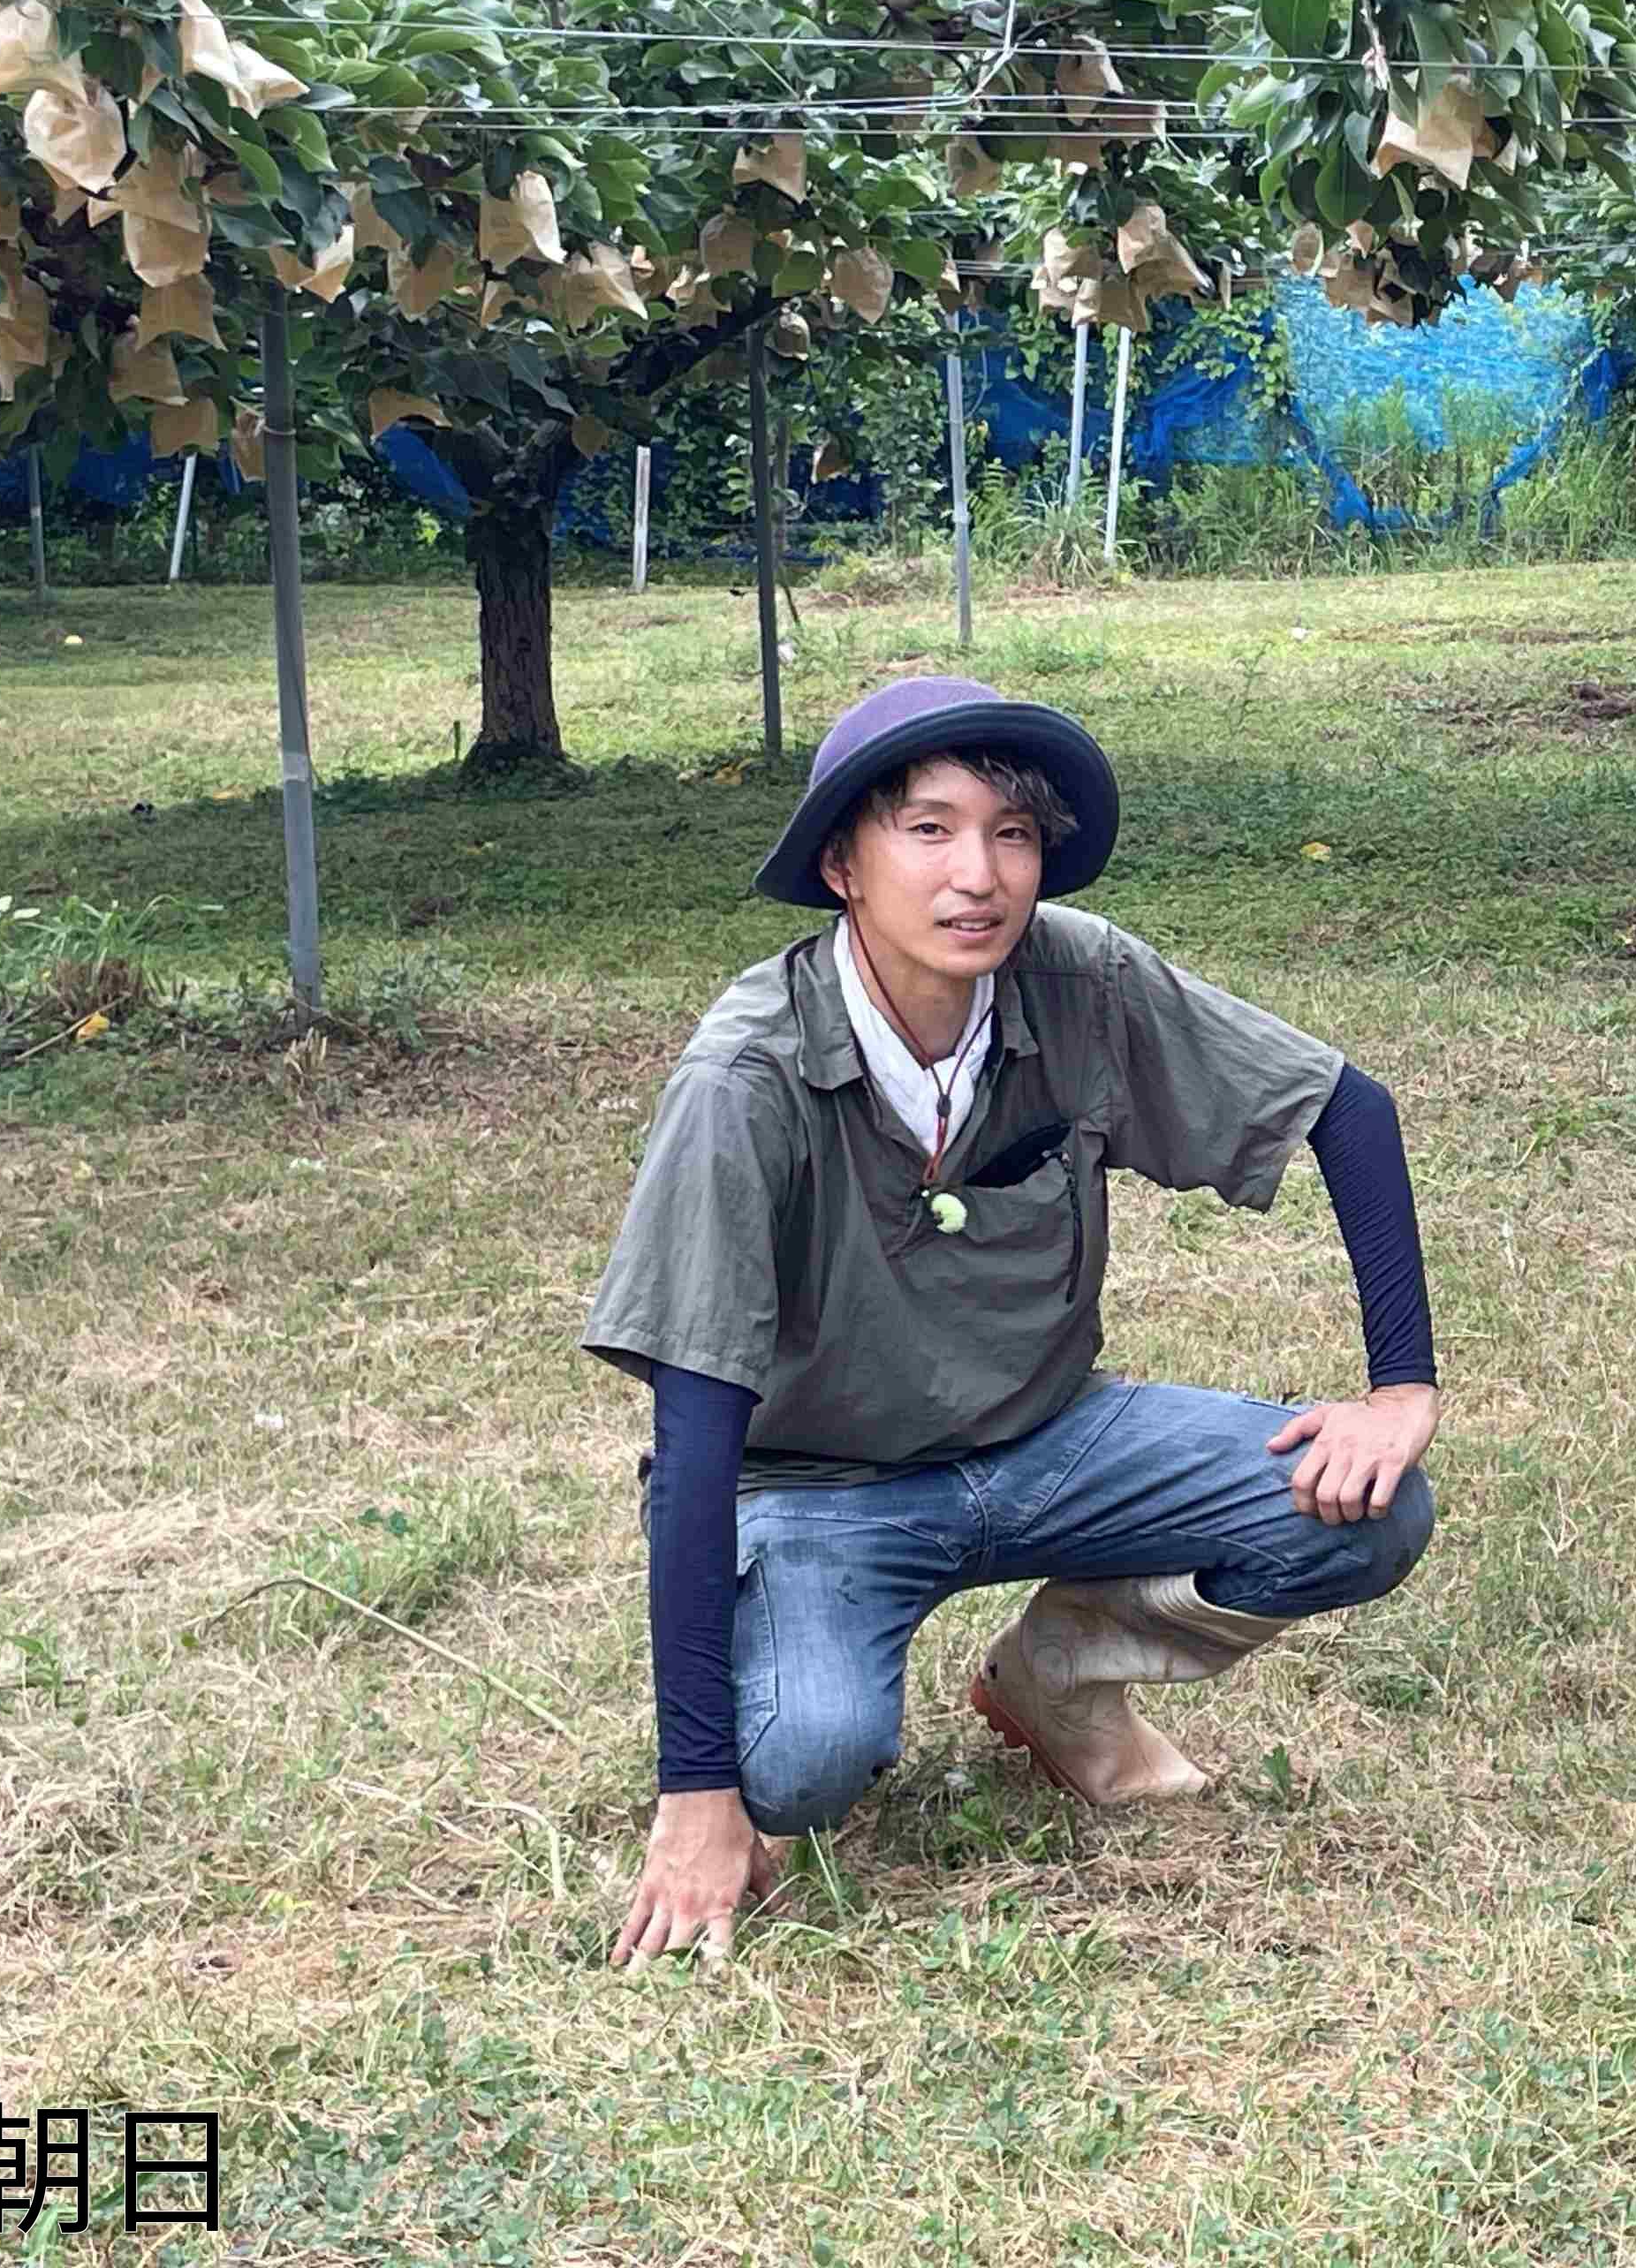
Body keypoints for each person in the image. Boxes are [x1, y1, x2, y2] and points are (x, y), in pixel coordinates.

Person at [587, 674, 1440, 1968]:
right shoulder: (744, 1078)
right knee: (801, 1767)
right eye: (927, 830)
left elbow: (1345, 1107)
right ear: (841, 865)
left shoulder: (1078, 979)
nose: (976, 876)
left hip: (1050, 1440)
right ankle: (769, 1738)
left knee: (1367, 1512)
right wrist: (694, 1789)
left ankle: (1052, 1681)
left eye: (1013, 835)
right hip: (815, 1488)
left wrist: (1400, 1390)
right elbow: (695, 1431)